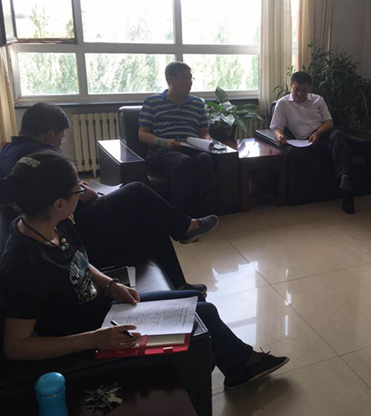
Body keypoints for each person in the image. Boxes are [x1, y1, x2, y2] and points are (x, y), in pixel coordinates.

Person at [0, 151, 289, 400]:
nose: (82, 194)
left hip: (105, 311)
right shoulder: (24, 263)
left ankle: (239, 367)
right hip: (92, 337)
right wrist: (94, 339)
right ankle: (240, 368)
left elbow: (76, 261)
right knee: (204, 313)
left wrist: (109, 283)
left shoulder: (49, 222)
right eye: (77, 191)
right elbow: (16, 347)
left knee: (196, 300)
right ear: (59, 203)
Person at [0, 103, 215, 293]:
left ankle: (179, 282)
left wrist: (77, 186)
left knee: (148, 214)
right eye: (61, 136)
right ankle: (183, 229)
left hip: (54, 226)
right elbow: (88, 195)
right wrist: (81, 189)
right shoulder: (45, 154)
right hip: (73, 229)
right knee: (138, 192)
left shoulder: (9, 151)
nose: (60, 142)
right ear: (49, 135)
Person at [270, 71, 356, 214]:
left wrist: (318, 133)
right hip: (309, 141)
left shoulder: (318, 100)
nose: (299, 94)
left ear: (310, 88)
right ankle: (346, 188)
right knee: (345, 151)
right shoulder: (283, 103)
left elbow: (329, 122)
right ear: (291, 86)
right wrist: (280, 137)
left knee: (338, 136)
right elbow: (276, 127)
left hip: (325, 133)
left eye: (303, 90)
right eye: (296, 90)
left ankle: (345, 179)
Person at [139, 61, 217, 216]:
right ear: (171, 79)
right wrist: (164, 142)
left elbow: (204, 132)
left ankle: (202, 213)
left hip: (191, 148)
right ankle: (181, 217)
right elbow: (142, 134)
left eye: (190, 77)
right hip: (163, 150)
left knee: (205, 159)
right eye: (184, 77)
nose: (189, 82)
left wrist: (207, 141)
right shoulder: (152, 102)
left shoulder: (197, 104)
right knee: (184, 162)